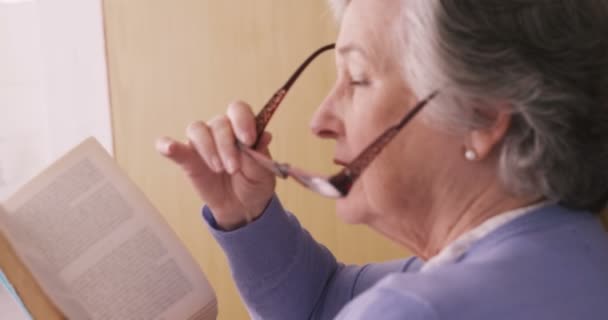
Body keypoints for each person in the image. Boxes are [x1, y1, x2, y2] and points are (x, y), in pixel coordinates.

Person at [156, 0, 608, 319]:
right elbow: (323, 303)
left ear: (482, 116)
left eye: (357, 79)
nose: (320, 119)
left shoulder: (413, 309)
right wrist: (247, 214)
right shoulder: (578, 246)